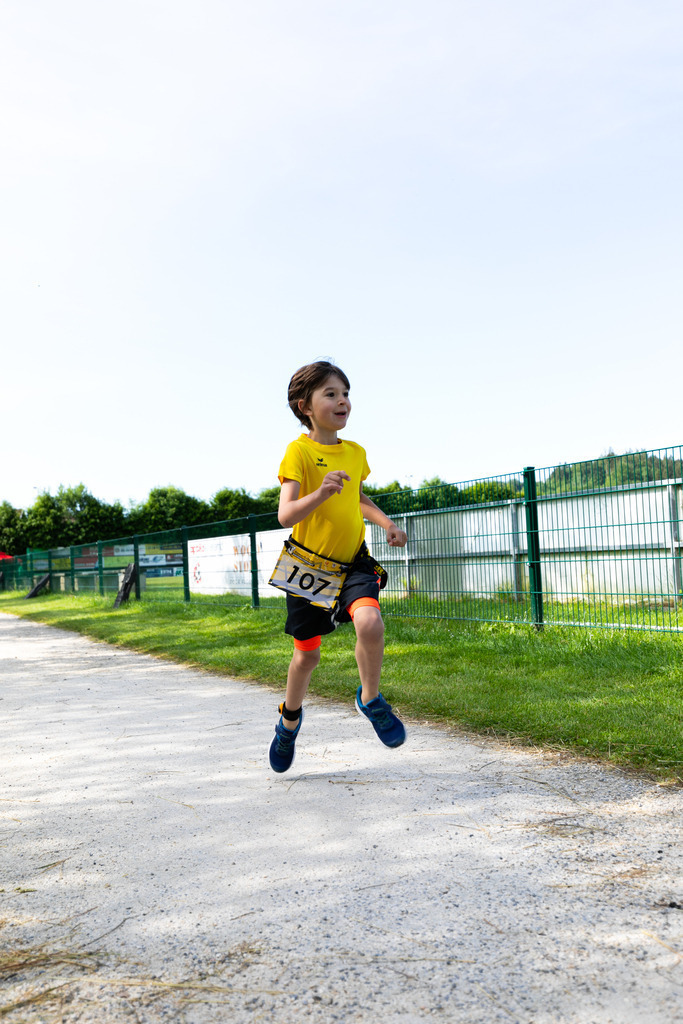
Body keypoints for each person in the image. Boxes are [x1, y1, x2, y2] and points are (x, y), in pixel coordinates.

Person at [269, 360, 408, 773]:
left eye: (345, 393)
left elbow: (358, 499)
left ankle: (370, 698)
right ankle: (289, 722)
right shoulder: (298, 452)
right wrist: (321, 493)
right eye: (330, 394)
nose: (342, 400)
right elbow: (286, 514)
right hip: (309, 568)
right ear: (305, 406)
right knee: (306, 657)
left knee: (371, 623)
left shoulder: (355, 452)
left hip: (353, 563)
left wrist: (387, 523)